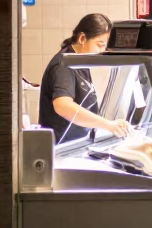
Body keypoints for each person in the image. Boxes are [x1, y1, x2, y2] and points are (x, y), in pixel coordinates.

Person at [38, 13, 131, 144]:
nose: (102, 51)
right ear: (82, 38)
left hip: (76, 145)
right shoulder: (63, 65)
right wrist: (108, 125)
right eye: (100, 44)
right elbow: (62, 106)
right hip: (59, 148)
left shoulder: (80, 61)